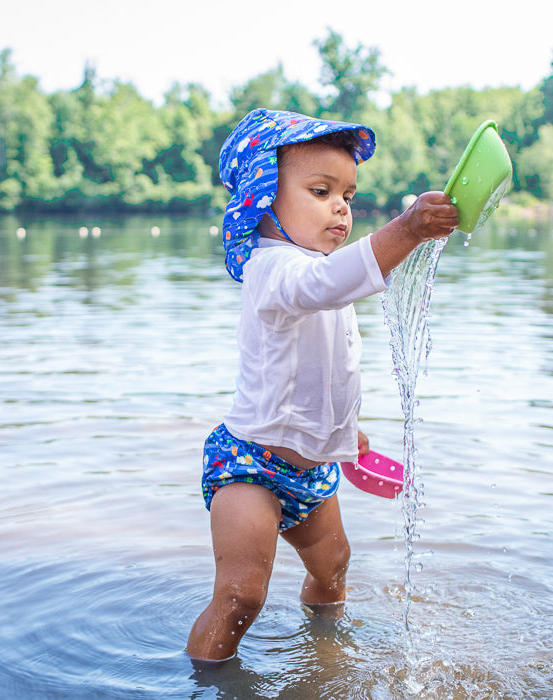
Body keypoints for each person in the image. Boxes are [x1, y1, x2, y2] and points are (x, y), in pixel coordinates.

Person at [186, 108, 458, 662]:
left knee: (333, 572)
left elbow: (328, 367)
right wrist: (405, 229)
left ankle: (325, 656)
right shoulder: (274, 268)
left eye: (349, 195)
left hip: (314, 472)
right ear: (263, 197)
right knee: (241, 595)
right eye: (320, 190)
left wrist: (346, 432)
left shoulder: (319, 269)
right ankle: (207, 678)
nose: (340, 206)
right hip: (251, 466)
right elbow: (325, 285)